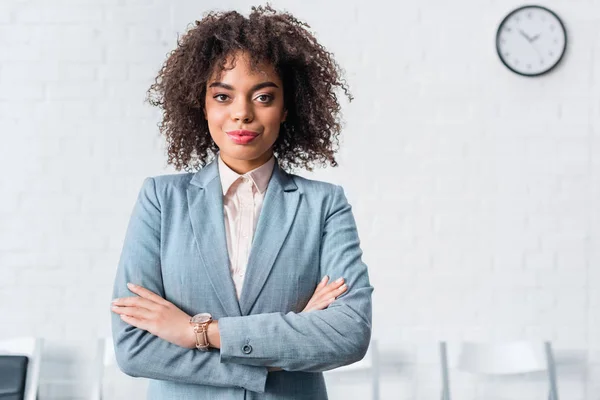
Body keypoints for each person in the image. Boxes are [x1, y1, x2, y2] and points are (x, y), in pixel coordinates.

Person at [110, 4, 373, 399]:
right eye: (223, 96)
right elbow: (135, 348)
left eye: (263, 97)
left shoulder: (324, 205)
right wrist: (279, 350)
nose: (242, 114)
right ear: (203, 104)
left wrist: (195, 332)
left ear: (287, 107)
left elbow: (348, 333)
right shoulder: (161, 200)